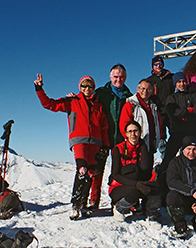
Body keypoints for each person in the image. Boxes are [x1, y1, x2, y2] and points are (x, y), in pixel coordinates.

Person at [34, 74, 110, 220]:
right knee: (82, 170)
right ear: (79, 87)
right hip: (79, 141)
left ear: (94, 88)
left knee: (91, 174)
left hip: (96, 143)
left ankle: (83, 204)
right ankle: (75, 205)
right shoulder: (72, 101)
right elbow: (49, 104)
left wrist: (105, 146)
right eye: (84, 85)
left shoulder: (99, 106)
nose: (87, 89)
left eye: (90, 86)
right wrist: (39, 88)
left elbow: (104, 128)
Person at [90, 63, 133, 209]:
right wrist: (72, 98)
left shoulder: (129, 95)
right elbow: (86, 100)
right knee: (98, 169)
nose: (118, 80)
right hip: (102, 137)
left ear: (125, 78)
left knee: (120, 171)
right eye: (115, 77)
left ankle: (118, 199)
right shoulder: (101, 92)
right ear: (110, 77)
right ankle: (94, 200)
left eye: (121, 77)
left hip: (121, 139)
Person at [157, 72, 196, 203]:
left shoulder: (194, 95)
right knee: (167, 160)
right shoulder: (172, 98)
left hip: (192, 133)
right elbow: (172, 114)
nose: (182, 84)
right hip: (177, 133)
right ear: (175, 84)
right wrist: (189, 110)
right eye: (179, 82)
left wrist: (183, 112)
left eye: (183, 81)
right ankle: (161, 191)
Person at [108, 120, 161, 222]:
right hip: (119, 186)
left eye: (135, 131)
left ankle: (151, 213)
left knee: (155, 188)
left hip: (138, 182)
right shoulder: (118, 149)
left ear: (140, 132)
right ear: (126, 134)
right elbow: (115, 174)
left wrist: (144, 148)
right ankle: (119, 208)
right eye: (130, 131)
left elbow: (146, 170)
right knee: (134, 191)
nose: (133, 134)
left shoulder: (144, 148)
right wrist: (137, 184)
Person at [119, 79, 162, 156]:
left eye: (148, 89)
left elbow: (158, 124)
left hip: (150, 145)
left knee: (147, 167)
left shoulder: (153, 106)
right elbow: (124, 125)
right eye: (143, 88)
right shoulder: (131, 105)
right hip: (135, 147)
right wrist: (132, 141)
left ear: (152, 91)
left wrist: (158, 138)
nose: (145, 91)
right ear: (138, 89)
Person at [147, 55, 174, 142]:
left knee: (175, 131)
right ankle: (164, 154)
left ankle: (174, 152)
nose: (158, 66)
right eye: (156, 64)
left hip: (171, 109)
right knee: (161, 135)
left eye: (160, 63)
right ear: (153, 66)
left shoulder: (170, 77)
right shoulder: (150, 80)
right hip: (158, 111)